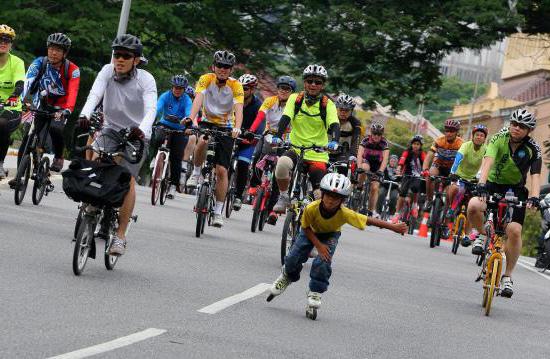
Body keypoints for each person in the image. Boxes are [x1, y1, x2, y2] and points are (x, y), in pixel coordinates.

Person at [266, 173, 407, 317]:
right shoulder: (311, 208)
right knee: (293, 257)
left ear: (342, 200)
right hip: (309, 232)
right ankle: (287, 276)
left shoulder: (344, 213)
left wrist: (393, 227)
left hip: (330, 235)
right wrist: (318, 246)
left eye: (336, 198)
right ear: (322, 194)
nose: (331, 201)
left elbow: (369, 220)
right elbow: (306, 228)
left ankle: (315, 291)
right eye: (328, 196)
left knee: (323, 262)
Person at [78, 34, 157, 255]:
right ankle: (94, 203)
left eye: (125, 56)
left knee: (127, 180)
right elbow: (94, 95)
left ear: (136, 60)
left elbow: (151, 109)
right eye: (116, 55)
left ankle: (120, 236)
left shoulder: (146, 79)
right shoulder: (107, 71)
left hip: (137, 133)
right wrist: (85, 114)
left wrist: (141, 129)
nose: (119, 59)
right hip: (111, 128)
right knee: (98, 163)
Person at [467, 109, 541, 298]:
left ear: (529, 130)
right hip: (491, 184)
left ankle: (507, 276)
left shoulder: (533, 149)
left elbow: (535, 176)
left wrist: (534, 197)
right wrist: (482, 184)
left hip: (515, 190)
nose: (516, 128)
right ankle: (483, 234)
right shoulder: (498, 138)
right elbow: (488, 162)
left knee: (514, 231)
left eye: (522, 126)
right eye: (514, 124)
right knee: (474, 206)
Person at [185, 50, 244, 227]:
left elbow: (239, 108)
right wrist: (191, 118)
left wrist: (237, 128)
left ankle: (218, 212)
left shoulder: (236, 85)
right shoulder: (206, 78)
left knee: (221, 171)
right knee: (202, 140)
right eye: (220, 66)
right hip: (207, 121)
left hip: (226, 126)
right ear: (214, 67)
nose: (223, 69)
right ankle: (196, 173)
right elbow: (198, 99)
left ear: (231, 70)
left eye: (227, 67)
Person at [271, 64, 340, 213]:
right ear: (304, 82)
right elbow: (286, 117)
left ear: (323, 85)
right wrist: (278, 136)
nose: (313, 85)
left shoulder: (328, 105)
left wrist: (334, 141)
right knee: (282, 164)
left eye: (318, 82)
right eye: (310, 81)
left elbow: (334, 124)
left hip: (317, 153)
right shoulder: (295, 99)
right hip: (295, 148)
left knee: (319, 194)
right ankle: (283, 196)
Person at [19, 33, 80, 173]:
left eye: (58, 50)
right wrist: (23, 100)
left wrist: (67, 110)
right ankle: (19, 176)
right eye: (51, 48)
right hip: (41, 102)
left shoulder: (73, 69)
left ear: (65, 53)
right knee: (29, 135)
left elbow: (73, 91)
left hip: (61, 106)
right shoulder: (39, 62)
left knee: (55, 128)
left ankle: (59, 156)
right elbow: (28, 80)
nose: (53, 53)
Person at [247, 75, 296, 224]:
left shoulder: (294, 105)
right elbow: (260, 117)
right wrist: (251, 130)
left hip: (286, 138)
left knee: (278, 174)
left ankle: (273, 211)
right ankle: (254, 184)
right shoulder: (270, 101)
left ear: (292, 91)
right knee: (258, 155)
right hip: (269, 134)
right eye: (281, 88)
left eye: (287, 89)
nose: (283, 91)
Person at [151, 74, 192, 197]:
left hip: (180, 129)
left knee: (176, 157)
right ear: (172, 87)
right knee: (157, 137)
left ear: (184, 89)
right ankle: (154, 157)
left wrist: (187, 123)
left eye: (180, 88)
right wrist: (150, 119)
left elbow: (189, 113)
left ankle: (173, 185)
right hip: (164, 125)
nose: (177, 90)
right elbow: (156, 109)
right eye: (175, 87)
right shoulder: (165, 96)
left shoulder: (187, 100)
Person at [447, 124, 487, 244]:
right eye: (477, 135)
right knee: (459, 190)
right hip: (460, 175)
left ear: (485, 138)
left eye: (481, 135)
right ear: (472, 136)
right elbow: (458, 158)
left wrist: (480, 178)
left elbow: (486, 164)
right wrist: (453, 172)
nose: (479, 137)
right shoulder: (466, 145)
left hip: (475, 179)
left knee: (471, 204)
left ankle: (468, 233)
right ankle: (452, 209)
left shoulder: (486, 149)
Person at [232, 73, 262, 210]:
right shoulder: (233, 100)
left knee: (243, 164)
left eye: (245, 89)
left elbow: (261, 124)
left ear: (252, 90)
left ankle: (238, 196)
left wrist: (255, 135)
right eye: (240, 88)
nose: (242, 91)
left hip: (248, 141)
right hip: (232, 136)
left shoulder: (258, 105)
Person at [421, 118, 463, 211]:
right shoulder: (439, 141)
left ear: (456, 132)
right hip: (438, 165)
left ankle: (447, 209)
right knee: (430, 175)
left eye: (452, 131)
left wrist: (459, 174)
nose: (449, 133)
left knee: (451, 191)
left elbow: (463, 161)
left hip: (451, 169)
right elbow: (429, 155)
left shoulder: (461, 143)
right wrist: (425, 169)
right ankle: (429, 200)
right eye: (447, 131)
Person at [0, 24, 25, 179]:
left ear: (11, 44)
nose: (3, 43)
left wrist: (14, 96)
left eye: (7, 40)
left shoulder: (17, 62)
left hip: (12, 107)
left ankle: (0, 163)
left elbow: (20, 84)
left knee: (1, 124)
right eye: (0, 39)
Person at [356, 122, 390, 216]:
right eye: (374, 133)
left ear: (381, 135)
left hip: (377, 166)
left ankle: (371, 210)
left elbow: (385, 159)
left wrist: (381, 171)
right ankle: (359, 188)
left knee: (374, 188)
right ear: (371, 133)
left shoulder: (384, 143)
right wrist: (359, 166)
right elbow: (359, 154)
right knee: (364, 168)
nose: (376, 136)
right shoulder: (365, 140)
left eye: (379, 134)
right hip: (366, 161)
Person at [392, 135, 426, 223]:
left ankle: (415, 205)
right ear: (411, 144)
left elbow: (425, 164)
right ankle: (396, 214)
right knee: (402, 195)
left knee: (415, 188)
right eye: (414, 144)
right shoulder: (407, 152)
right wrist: (399, 168)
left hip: (418, 175)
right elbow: (402, 160)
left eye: (418, 144)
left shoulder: (422, 154)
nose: (415, 146)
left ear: (420, 146)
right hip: (407, 175)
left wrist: (425, 171)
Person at [330, 93, 361, 174]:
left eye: (346, 110)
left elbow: (356, 140)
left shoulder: (355, 123)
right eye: (341, 109)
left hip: (343, 153)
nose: (343, 112)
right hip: (325, 150)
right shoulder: (329, 119)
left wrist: (353, 154)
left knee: (344, 169)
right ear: (336, 109)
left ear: (351, 111)